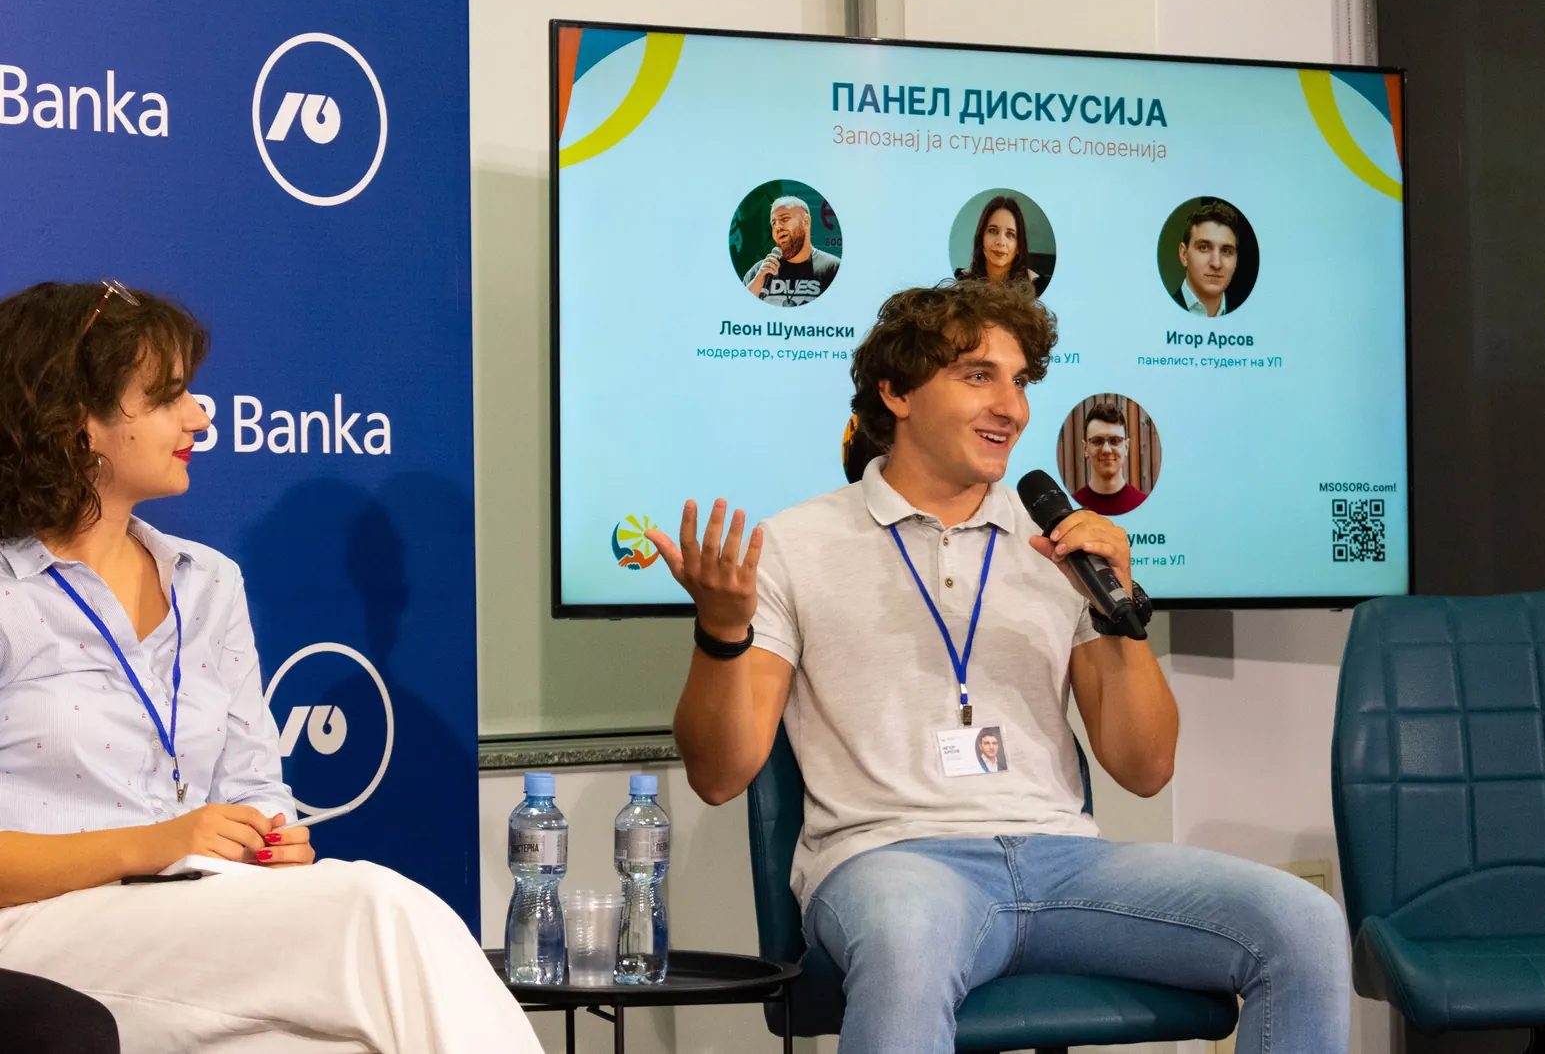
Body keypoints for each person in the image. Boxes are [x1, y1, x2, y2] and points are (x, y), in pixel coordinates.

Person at [650, 278, 1349, 1054]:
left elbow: (1146, 766)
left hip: (1067, 861)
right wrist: (721, 631)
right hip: (894, 860)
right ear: (897, 392)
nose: (1011, 407)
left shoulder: (1060, 545)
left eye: (1019, 382)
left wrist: (1117, 608)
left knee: (1303, 923)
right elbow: (719, 774)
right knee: (908, 938)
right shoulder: (796, 543)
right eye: (978, 375)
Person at [0, 281, 541, 1054]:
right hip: (35, 937)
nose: (200, 415)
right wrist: (157, 842)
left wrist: (269, 838)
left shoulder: (207, 581)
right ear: (80, 421)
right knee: (378, 909)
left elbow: (256, 787)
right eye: (167, 396)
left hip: (195, 920)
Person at [745, 194, 841, 306]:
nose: (777, 227)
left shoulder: (833, 268)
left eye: (785, 218)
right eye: (773, 222)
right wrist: (758, 280)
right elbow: (740, 310)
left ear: (806, 221)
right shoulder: (759, 271)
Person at [1071, 401, 1149, 516]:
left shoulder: (1146, 507)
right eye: (1097, 441)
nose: (1106, 450)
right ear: (1085, 448)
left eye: (1115, 441)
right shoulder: (1071, 509)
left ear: (1126, 447)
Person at [956, 195, 1041, 290]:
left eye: (1010, 234)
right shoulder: (959, 281)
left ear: (1019, 246)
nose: (1001, 242)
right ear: (981, 238)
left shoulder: (1036, 285)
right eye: (992, 231)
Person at [1177, 199, 1245, 317]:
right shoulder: (1156, 312)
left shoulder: (1247, 317)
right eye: (1204, 247)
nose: (1216, 264)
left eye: (1226, 251)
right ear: (1184, 255)